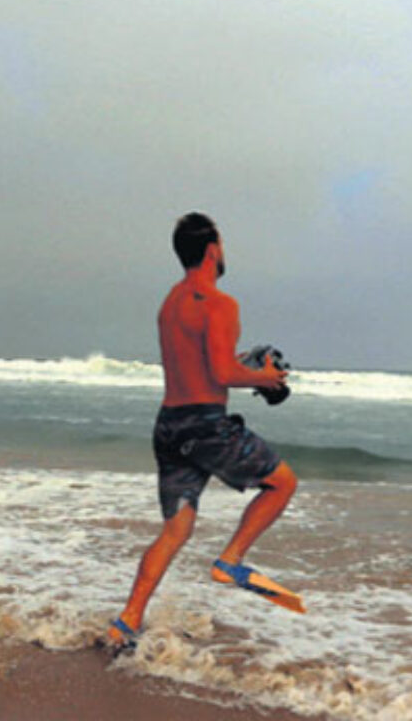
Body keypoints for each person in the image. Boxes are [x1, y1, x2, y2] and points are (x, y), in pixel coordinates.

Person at [105, 212, 300, 653]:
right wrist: (267, 378)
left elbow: (202, 361)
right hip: (205, 425)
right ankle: (230, 560)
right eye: (222, 244)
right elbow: (222, 373)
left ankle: (125, 622)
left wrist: (243, 364)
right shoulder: (219, 303)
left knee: (175, 531)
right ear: (213, 250)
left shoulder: (171, 303)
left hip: (170, 425)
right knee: (283, 483)